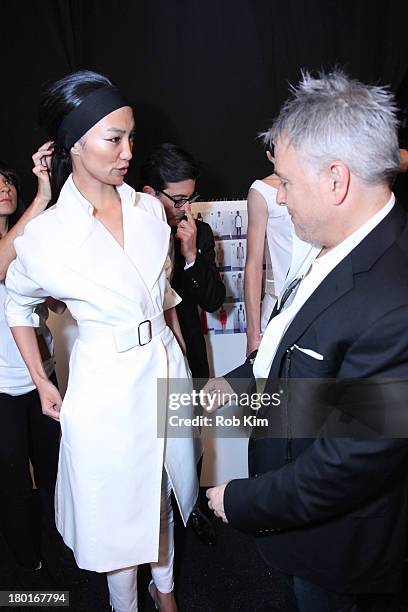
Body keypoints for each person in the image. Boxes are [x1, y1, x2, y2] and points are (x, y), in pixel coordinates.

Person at [205, 70, 408, 611]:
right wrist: (238, 381)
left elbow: (348, 464)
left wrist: (241, 500)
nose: (280, 197)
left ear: (336, 180)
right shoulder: (333, 244)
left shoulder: (395, 301)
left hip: (338, 547)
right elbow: (293, 343)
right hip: (299, 527)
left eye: (285, 182)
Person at [5, 70, 198, 612]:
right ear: (74, 142)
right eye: (113, 138)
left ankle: (167, 597)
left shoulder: (149, 211)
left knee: (159, 490)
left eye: (131, 136)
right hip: (103, 388)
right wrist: (42, 380)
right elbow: (16, 302)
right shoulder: (45, 235)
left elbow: (160, 297)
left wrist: (179, 352)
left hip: (161, 368)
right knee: (117, 513)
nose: (128, 151)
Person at [141, 143, 226, 545]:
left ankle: (191, 511)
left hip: (189, 353)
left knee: (192, 438)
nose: (185, 208)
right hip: (144, 360)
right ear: (148, 191)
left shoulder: (199, 232)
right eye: (177, 199)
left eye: (190, 198)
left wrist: (191, 255)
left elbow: (213, 300)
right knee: (151, 446)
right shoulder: (129, 232)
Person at [0, 150, 62, 573]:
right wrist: (42, 196)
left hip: (44, 377)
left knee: (56, 473)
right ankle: (27, 570)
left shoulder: (29, 241)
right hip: (2, 388)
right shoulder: (16, 240)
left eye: (7, 180)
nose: (5, 186)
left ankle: (63, 550)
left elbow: (53, 300)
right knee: (14, 486)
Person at [244, 150, 293, 355]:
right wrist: (253, 335)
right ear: (269, 154)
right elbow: (253, 266)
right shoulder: (262, 191)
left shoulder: (321, 185)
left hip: (317, 301)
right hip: (279, 305)